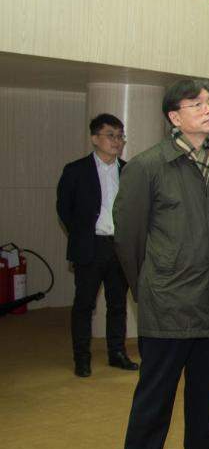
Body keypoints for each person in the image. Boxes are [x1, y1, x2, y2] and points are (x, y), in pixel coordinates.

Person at [113, 79, 209, 449]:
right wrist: (149, 288)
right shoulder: (148, 166)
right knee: (155, 399)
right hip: (168, 302)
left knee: (207, 396)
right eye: (198, 104)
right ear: (174, 116)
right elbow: (128, 239)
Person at [55, 113, 138, 378]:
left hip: (119, 247)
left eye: (120, 136)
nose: (116, 141)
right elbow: (64, 209)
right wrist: (82, 234)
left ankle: (117, 353)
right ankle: (82, 358)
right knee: (84, 305)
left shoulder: (129, 170)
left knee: (118, 304)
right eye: (110, 135)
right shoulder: (76, 170)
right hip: (90, 246)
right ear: (94, 138)